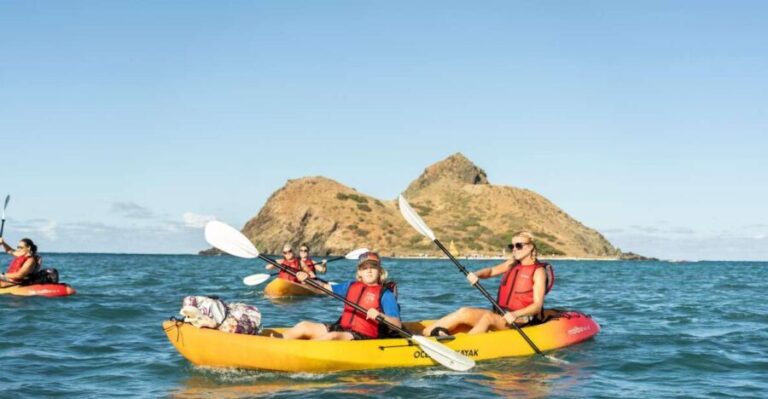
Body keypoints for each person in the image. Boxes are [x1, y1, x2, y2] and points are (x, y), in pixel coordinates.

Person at [423, 232, 553, 336]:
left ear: (530, 247)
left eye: (518, 246)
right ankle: (426, 333)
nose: (514, 249)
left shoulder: (538, 271)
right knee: (464, 312)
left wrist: (515, 314)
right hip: (500, 315)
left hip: (521, 320)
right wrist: (477, 274)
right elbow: (491, 271)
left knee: (488, 318)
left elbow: (537, 306)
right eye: (511, 246)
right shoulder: (512, 264)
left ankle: (463, 346)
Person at [279, 252, 402, 340]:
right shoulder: (351, 286)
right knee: (304, 326)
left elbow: (397, 324)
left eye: (373, 267)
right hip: (343, 328)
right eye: (365, 268)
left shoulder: (385, 294)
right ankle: (276, 343)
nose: (369, 271)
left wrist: (379, 315)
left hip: (365, 336)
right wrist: (306, 280)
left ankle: (299, 353)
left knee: (333, 336)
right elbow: (323, 289)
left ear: (380, 271)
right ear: (359, 272)